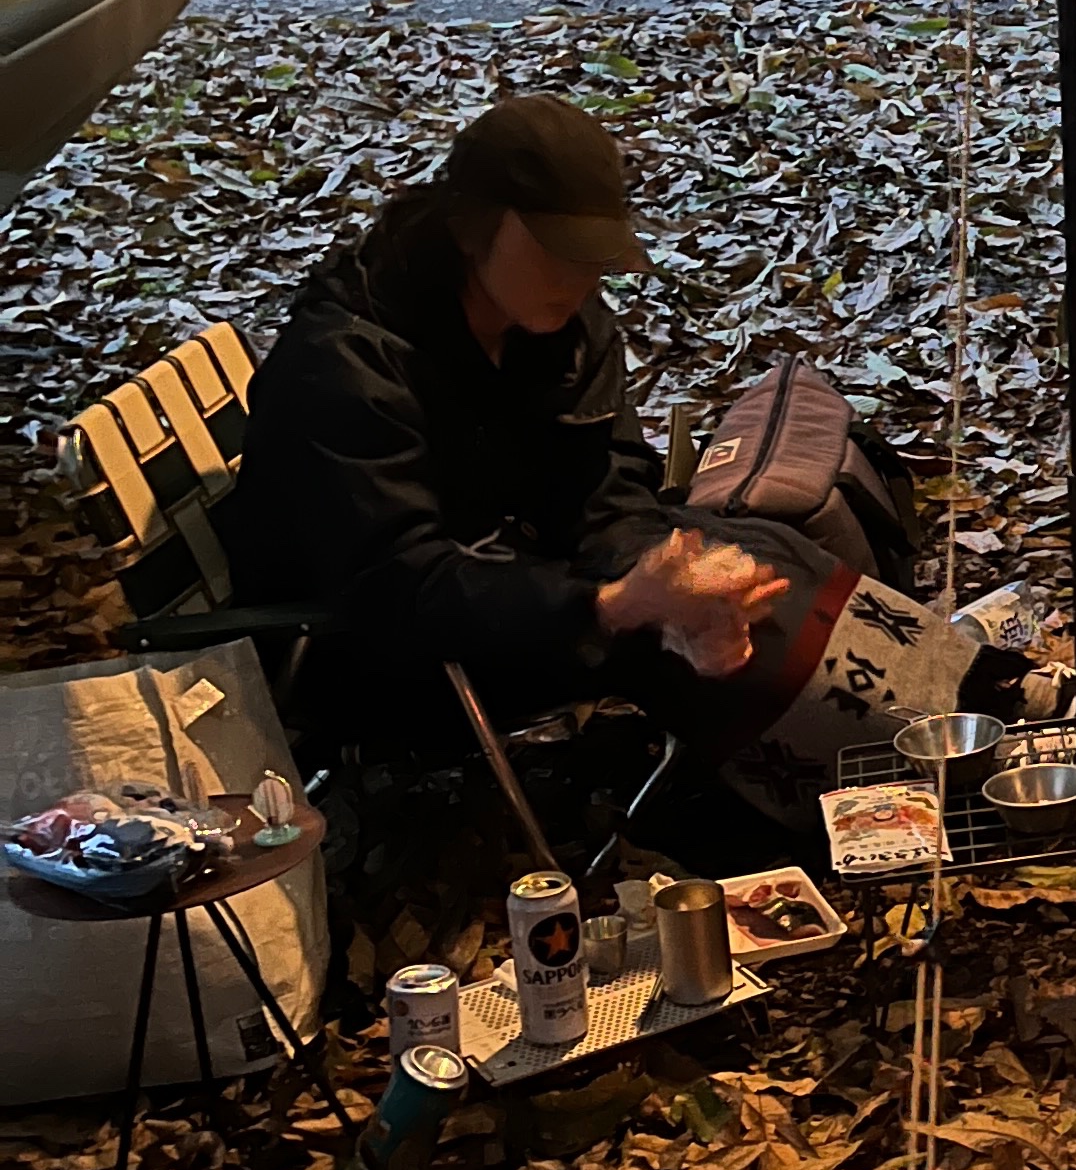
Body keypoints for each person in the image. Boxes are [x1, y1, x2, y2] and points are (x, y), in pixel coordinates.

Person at [225, 94, 990, 823]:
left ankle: (986, 694)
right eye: (560, 255)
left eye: (595, 257)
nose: (583, 279)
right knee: (665, 639)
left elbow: (605, 490)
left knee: (762, 555)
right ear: (470, 227)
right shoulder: (345, 364)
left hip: (515, 567)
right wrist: (612, 605)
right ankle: (912, 785)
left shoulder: (560, 327)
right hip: (375, 650)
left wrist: (668, 575)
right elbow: (398, 589)